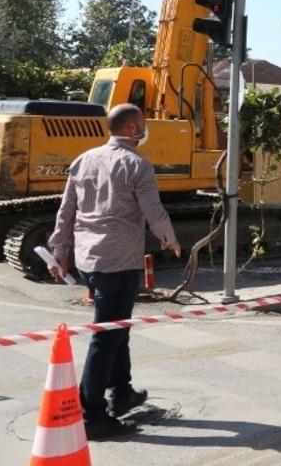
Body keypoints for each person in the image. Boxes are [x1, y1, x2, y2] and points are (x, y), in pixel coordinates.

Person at [47, 103, 181, 439]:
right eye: (144, 123)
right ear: (133, 129)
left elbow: (66, 212)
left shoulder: (84, 159)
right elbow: (153, 210)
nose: (146, 128)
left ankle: (122, 394)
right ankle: (92, 415)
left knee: (117, 327)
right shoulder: (137, 165)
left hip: (89, 259)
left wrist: (60, 251)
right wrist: (170, 239)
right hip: (118, 262)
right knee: (106, 338)